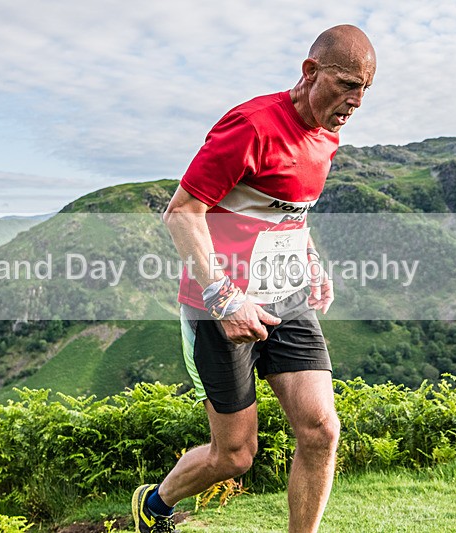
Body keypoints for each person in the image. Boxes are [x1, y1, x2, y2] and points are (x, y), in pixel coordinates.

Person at [132, 25, 376, 533]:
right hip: (218, 308)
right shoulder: (251, 126)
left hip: (288, 301)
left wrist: (311, 262)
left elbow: (291, 213)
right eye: (347, 84)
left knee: (321, 431)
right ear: (310, 71)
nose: (355, 101)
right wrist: (225, 298)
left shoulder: (328, 136)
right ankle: (154, 504)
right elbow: (182, 212)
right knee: (235, 455)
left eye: (365, 90)